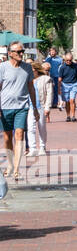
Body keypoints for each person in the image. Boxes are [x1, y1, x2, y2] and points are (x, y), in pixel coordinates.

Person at [2, 45, 38, 179]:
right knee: (7, 138)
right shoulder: (3, 67)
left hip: (22, 106)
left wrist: (34, 108)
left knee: (19, 134)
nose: (21, 54)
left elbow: (31, 88)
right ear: (11, 53)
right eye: (18, 52)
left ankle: (17, 168)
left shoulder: (27, 67)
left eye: (22, 51)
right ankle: (10, 165)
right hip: (5, 107)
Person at [28, 61, 52, 158]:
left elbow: (49, 94)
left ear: (36, 70)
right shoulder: (28, 80)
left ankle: (42, 146)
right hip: (30, 107)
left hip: (41, 106)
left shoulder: (46, 79)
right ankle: (32, 148)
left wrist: (47, 107)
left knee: (42, 127)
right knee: (30, 128)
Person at [58, 52, 77, 122]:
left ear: (72, 59)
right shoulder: (62, 67)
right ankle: (68, 116)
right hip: (64, 85)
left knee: (72, 100)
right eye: (67, 60)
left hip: (74, 84)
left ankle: (73, 116)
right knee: (67, 101)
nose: (68, 62)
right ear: (65, 60)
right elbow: (59, 79)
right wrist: (59, 88)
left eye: (70, 60)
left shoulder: (75, 66)